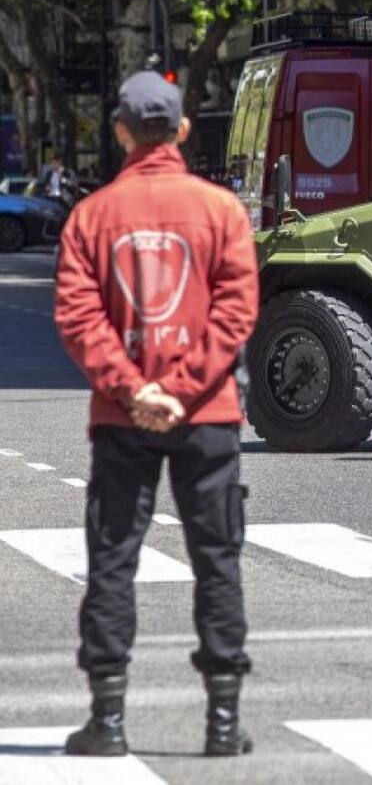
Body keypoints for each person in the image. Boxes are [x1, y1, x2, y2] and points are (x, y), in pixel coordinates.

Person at [54, 70, 260, 757]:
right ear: (181, 130)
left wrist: (134, 387)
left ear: (118, 131)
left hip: (122, 416)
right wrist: (185, 384)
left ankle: (108, 721)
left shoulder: (92, 217)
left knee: (113, 559)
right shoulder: (221, 211)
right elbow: (237, 310)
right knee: (217, 560)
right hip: (207, 414)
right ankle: (224, 723)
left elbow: (79, 316)